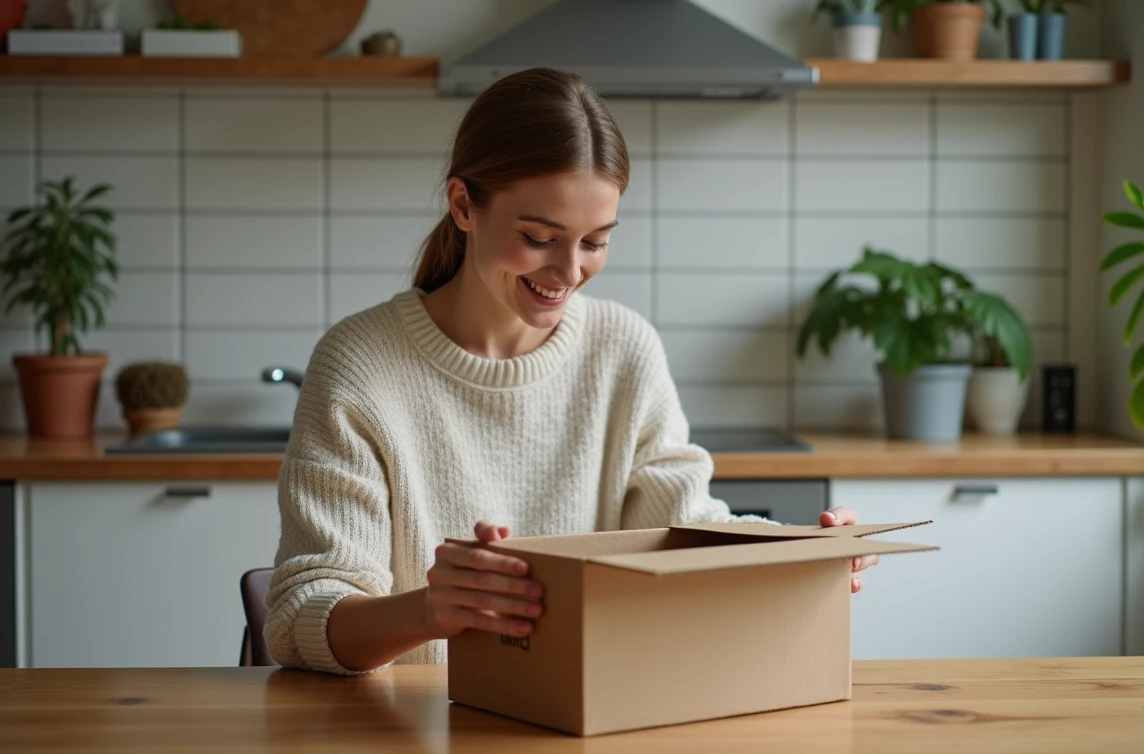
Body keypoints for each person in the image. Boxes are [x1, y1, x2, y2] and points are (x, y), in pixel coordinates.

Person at [264, 67, 875, 675]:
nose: (569, 271)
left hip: (593, 715)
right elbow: (299, 618)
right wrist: (430, 611)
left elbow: (686, 528)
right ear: (463, 206)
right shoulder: (359, 365)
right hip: (414, 725)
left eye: (596, 241)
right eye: (538, 238)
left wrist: (798, 549)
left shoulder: (624, 348)